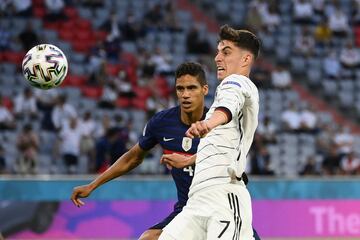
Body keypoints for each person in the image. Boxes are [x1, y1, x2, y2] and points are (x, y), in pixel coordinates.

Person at [71, 62, 261, 240]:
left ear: (205, 90)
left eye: (192, 88)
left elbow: (232, 158)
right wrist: (92, 185)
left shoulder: (220, 123)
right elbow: (132, 158)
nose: (185, 94)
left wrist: (189, 160)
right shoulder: (162, 123)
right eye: (180, 89)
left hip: (222, 206)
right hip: (187, 209)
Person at [159, 25, 260, 239]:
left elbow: (227, 109)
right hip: (197, 200)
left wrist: (208, 123)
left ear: (245, 59)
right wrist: (189, 161)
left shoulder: (238, 83)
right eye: (217, 52)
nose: (217, 58)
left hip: (224, 196)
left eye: (226, 52)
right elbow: (220, 143)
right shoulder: (221, 95)